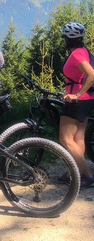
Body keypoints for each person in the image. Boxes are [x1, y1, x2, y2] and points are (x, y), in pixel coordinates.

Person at [58, 22, 94, 189]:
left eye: (64, 37)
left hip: (78, 100)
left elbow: (91, 74)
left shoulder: (76, 55)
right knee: (78, 138)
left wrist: (76, 95)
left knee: (65, 138)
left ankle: (86, 176)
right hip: (88, 99)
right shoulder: (84, 51)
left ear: (68, 39)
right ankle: (76, 172)